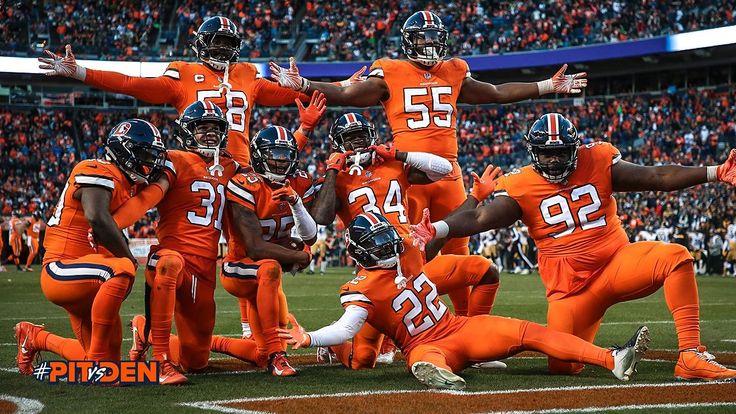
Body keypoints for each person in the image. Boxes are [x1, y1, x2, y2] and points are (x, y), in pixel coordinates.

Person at [269, 10, 587, 315]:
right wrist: (304, 85)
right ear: (409, 42)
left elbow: (496, 92)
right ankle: (395, 333)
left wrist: (547, 85)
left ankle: (465, 324)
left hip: (449, 174)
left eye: (434, 39)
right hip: (408, 174)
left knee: (457, 248)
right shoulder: (390, 71)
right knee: (403, 251)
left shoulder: (454, 69)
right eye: (422, 40)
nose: (429, 46)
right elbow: (351, 94)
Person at [411, 112, 736, 381]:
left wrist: (714, 172)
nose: (553, 161)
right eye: (546, 153)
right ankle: (613, 353)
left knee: (675, 257)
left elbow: (657, 177)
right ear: (533, 152)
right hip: (571, 292)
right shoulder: (520, 183)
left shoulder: (597, 159)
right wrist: (439, 227)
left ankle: (691, 355)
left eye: (561, 152)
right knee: (564, 367)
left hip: (616, 265)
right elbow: (482, 218)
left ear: (575, 148)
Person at [279, 212, 650, 390]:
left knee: (530, 331)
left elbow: (427, 236)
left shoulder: (404, 247)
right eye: (377, 244)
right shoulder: (361, 285)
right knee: (424, 360)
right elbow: (347, 327)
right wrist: (310, 338)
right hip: (428, 342)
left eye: (385, 239)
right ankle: (440, 374)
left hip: (456, 327)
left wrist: (429, 233)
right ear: (361, 252)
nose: (386, 247)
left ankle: (612, 359)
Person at [309, 113, 500, 369]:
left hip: (412, 257)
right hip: (376, 273)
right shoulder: (337, 179)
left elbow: (444, 169)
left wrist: (399, 155)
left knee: (485, 270)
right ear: (338, 145)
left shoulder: (392, 164)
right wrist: (333, 169)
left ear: (373, 138)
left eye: (361, 137)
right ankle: (334, 343)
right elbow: (321, 217)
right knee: (363, 360)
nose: (357, 145)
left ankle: (475, 343)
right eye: (350, 140)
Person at [37, 16, 356, 165]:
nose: (222, 50)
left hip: (239, 163)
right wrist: (80, 72)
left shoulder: (245, 73)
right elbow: (133, 85)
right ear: (201, 45)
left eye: (228, 44)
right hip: (195, 162)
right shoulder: (184, 72)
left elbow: (290, 95)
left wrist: (336, 87)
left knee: (245, 254)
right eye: (216, 42)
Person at [14, 119, 166, 375]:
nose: (148, 163)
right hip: (62, 268)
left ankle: (35, 338)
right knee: (121, 268)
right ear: (124, 150)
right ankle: (94, 366)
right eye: (143, 154)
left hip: (90, 279)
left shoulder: (127, 184)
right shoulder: (97, 168)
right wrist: (128, 257)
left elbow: (143, 201)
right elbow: (96, 216)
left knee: (112, 362)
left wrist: (165, 181)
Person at [120, 102, 240, 385]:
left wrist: (303, 131)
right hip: (171, 258)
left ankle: (143, 329)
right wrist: (112, 225)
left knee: (196, 361)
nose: (210, 134)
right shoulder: (174, 159)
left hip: (204, 268)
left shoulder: (232, 166)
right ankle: (160, 360)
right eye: (202, 128)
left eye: (215, 128)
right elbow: (147, 198)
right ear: (188, 131)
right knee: (170, 262)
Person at [211, 125, 318, 377]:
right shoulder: (244, 183)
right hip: (238, 268)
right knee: (269, 268)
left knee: (258, 354)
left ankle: (205, 342)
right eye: (274, 155)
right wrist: (298, 256)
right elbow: (255, 248)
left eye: (286, 155)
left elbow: (310, 235)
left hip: (267, 278)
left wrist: (296, 204)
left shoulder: (300, 183)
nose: (281, 162)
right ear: (259, 155)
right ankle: (277, 357)